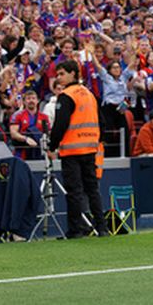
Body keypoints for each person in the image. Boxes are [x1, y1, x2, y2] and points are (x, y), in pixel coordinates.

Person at [48, 59, 108, 238]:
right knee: (92, 190)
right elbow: (101, 123)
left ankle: (76, 229)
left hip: (72, 151)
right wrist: (95, 141)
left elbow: (60, 124)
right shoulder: (89, 94)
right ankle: (101, 227)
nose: (59, 78)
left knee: (74, 191)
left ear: (73, 73)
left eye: (62, 74)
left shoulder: (66, 95)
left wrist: (52, 146)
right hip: (90, 149)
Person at [9, 90, 49, 160]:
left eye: (33, 98)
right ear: (24, 102)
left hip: (38, 150)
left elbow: (47, 134)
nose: (31, 101)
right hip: (22, 149)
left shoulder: (44, 117)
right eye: (28, 98)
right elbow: (13, 133)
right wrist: (26, 139)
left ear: (37, 101)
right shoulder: (18, 115)